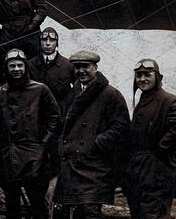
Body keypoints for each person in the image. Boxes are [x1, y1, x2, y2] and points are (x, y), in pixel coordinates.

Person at [53, 51, 130, 219]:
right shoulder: (73, 93)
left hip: (94, 167)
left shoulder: (110, 94)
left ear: (95, 67)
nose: (81, 71)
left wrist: (95, 143)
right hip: (73, 164)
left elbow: (121, 127)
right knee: (75, 211)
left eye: (85, 66)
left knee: (90, 212)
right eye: (77, 67)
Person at [0, 48, 61, 219]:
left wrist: (43, 144)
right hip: (8, 158)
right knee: (12, 206)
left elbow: (55, 118)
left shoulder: (40, 90)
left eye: (20, 65)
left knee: (37, 204)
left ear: (25, 67)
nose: (16, 69)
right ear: (7, 69)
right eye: (12, 66)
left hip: (35, 159)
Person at [121, 59, 176, 219]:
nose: (142, 79)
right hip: (138, 173)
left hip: (157, 174)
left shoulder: (169, 101)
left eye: (147, 74)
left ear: (157, 77)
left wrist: (159, 150)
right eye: (138, 75)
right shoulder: (143, 101)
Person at [28, 27, 75, 117]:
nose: (48, 43)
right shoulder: (30, 65)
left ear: (57, 43)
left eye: (52, 40)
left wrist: (68, 106)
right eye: (44, 40)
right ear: (40, 42)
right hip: (36, 114)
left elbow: (78, 87)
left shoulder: (68, 65)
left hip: (60, 114)